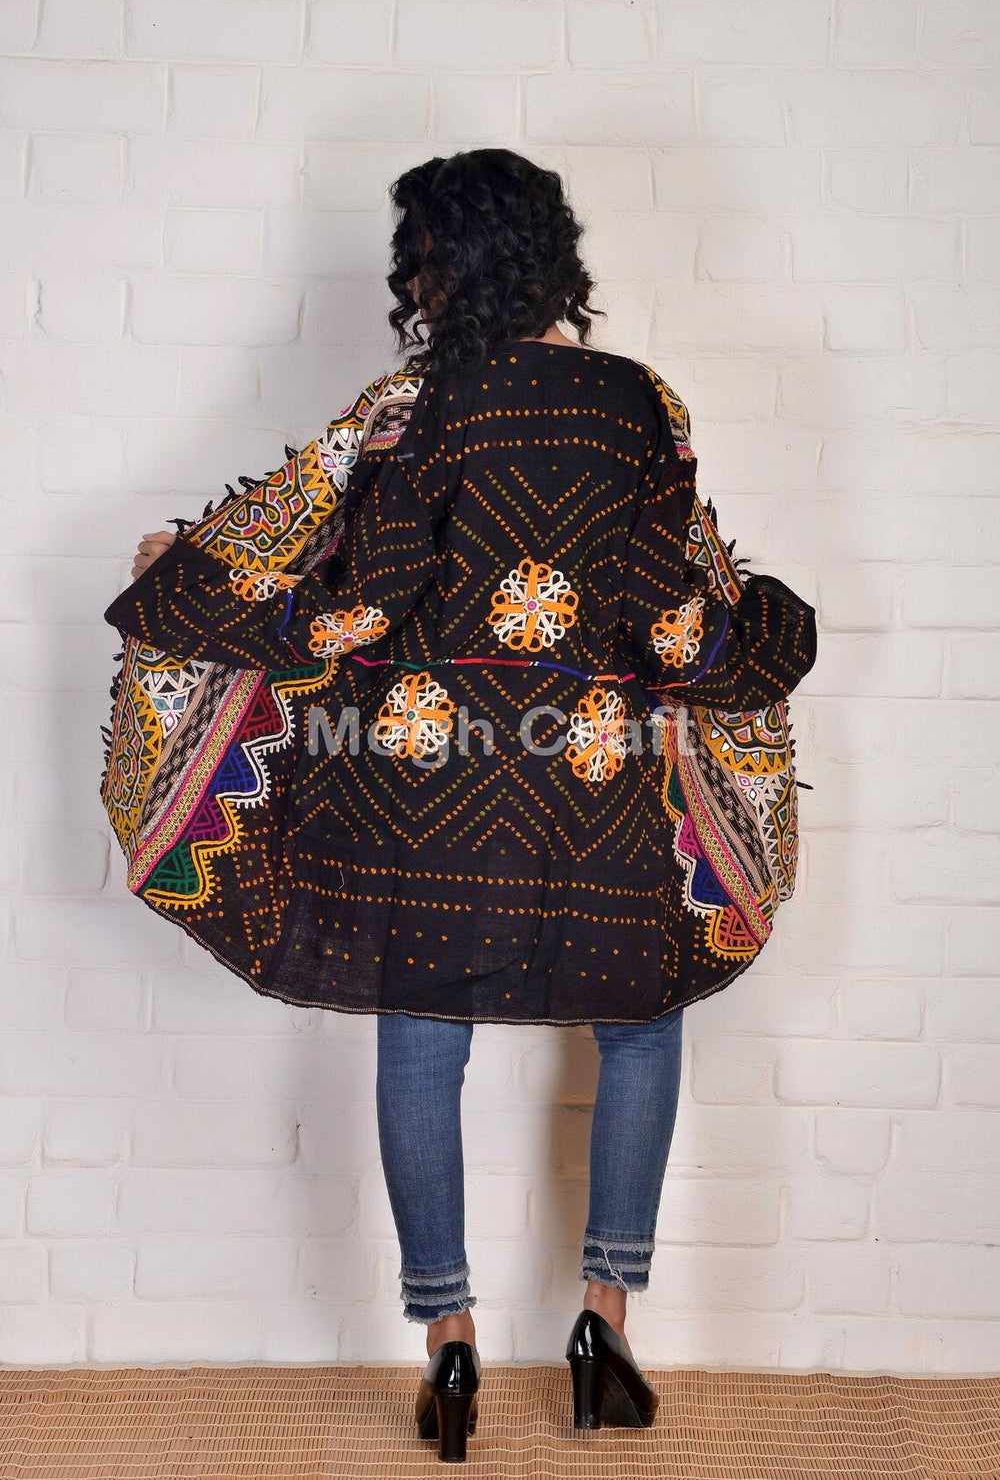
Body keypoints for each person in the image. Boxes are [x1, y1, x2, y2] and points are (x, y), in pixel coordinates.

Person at [110, 149, 816, 1463]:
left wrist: (189, 585)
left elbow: (350, 608)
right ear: (554, 256)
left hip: (420, 790)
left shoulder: (419, 405)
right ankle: (604, 1325)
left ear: (441, 271)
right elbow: (673, 624)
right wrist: (766, 629)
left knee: (421, 1037)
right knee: (643, 1028)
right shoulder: (642, 405)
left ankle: (449, 1342)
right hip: (595, 784)